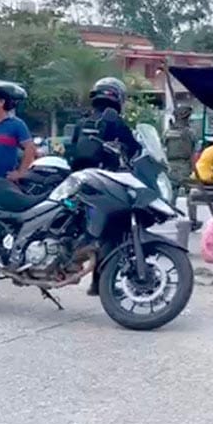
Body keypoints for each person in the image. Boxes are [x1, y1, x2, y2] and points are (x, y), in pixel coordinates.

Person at [71, 77, 141, 296]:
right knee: (114, 232)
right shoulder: (116, 123)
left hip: (80, 184)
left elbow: (72, 150)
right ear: (118, 97)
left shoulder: (82, 123)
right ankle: (100, 283)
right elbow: (135, 149)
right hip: (106, 183)